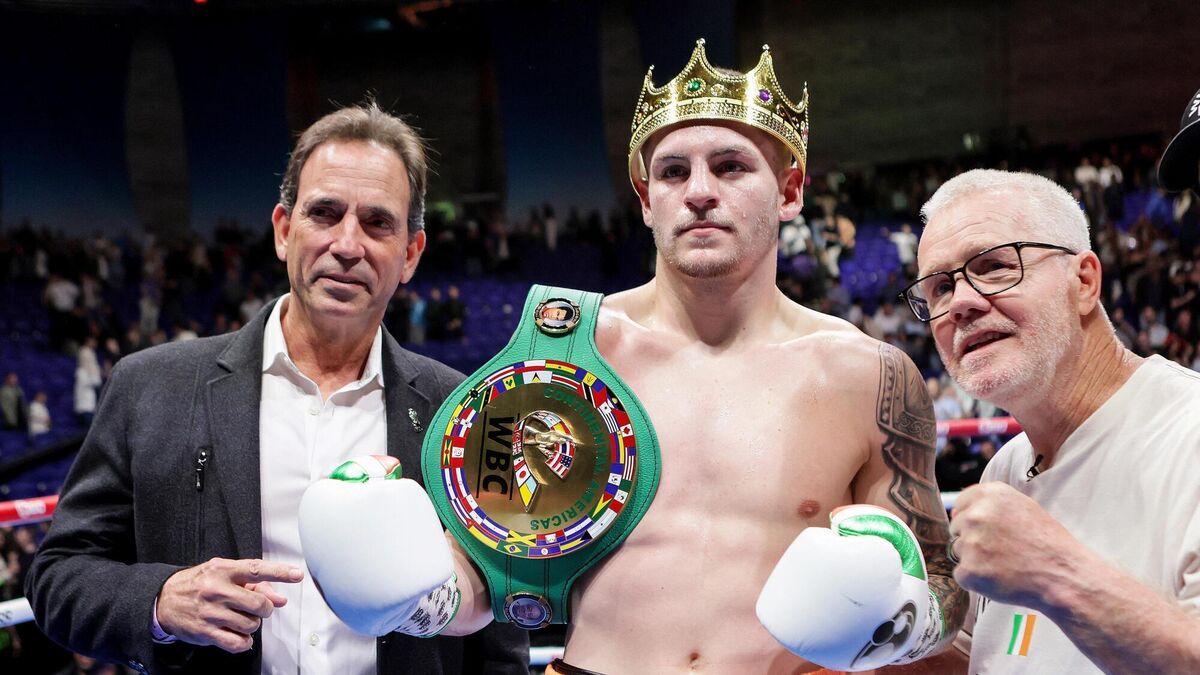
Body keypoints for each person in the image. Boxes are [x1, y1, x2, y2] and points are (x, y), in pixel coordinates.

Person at [306, 40, 965, 675]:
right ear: (647, 200)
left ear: (790, 190)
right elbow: (493, 574)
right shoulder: (562, 353)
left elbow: (938, 580)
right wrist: (415, 597)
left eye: (730, 166)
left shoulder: (867, 376)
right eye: (673, 172)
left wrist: (906, 620)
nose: (699, 191)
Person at [24, 101, 527, 675]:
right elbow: (58, 576)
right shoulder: (151, 387)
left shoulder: (466, 414)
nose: (347, 244)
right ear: (284, 231)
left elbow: (499, 641)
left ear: (410, 254)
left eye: (377, 223)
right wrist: (161, 602)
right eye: (325, 214)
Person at [902, 168, 1200, 672]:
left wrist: (1057, 575)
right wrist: (880, 634)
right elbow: (988, 657)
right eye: (940, 288)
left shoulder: (1188, 431)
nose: (961, 305)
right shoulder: (1005, 469)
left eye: (995, 266)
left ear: (1083, 282)